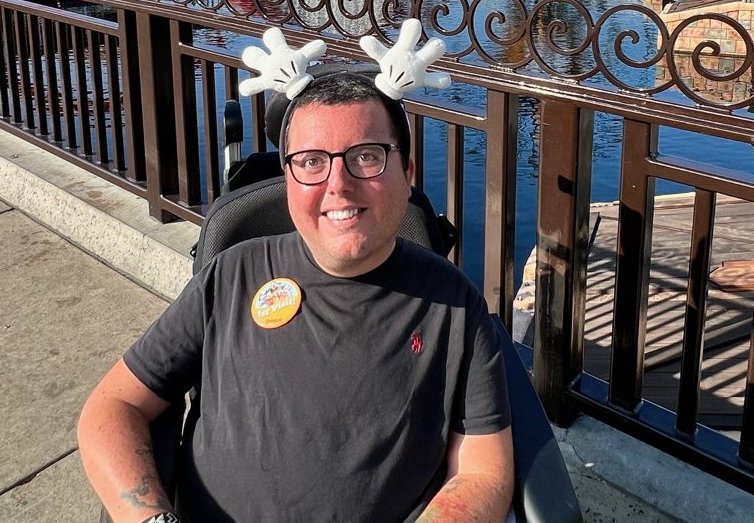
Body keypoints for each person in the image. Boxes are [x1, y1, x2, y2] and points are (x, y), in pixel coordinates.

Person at [78, 48, 513, 523]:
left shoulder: (453, 305)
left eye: (367, 156)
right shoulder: (230, 276)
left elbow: (484, 470)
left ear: (407, 174)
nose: (338, 184)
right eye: (310, 161)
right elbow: (113, 406)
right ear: (288, 179)